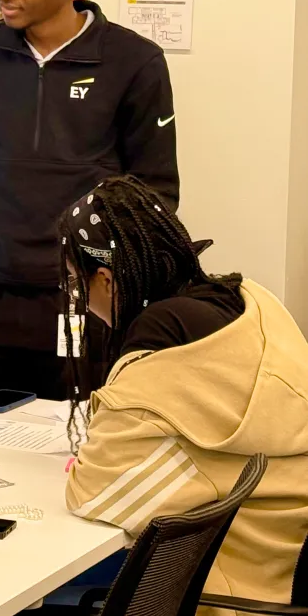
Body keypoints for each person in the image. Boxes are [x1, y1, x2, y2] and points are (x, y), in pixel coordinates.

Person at [0, 0, 178, 399]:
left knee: (73, 455)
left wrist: (114, 288)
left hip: (83, 303)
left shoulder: (134, 62)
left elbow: (155, 195)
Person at [60, 176, 308, 604]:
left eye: (75, 285)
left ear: (103, 277)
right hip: (289, 546)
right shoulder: (242, 301)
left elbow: (93, 492)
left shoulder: (160, 335)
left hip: (240, 582)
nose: (79, 299)